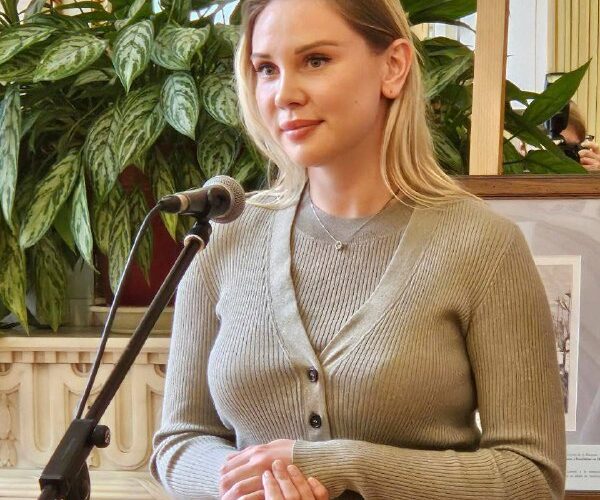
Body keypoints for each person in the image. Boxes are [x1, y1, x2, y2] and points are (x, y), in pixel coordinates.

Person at [150, 0, 566, 498]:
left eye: (316, 60)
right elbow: (180, 442)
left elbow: (531, 475)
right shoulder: (226, 235)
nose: (284, 94)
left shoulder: (484, 247)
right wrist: (251, 489)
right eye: (266, 69)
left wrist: (346, 465)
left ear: (393, 67)